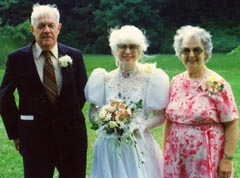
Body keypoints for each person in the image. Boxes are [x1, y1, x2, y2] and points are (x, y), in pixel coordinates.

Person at [0, 3, 88, 178]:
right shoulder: (17, 59)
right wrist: (16, 133)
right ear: (32, 29)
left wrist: (66, 115)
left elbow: (82, 92)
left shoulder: (75, 56)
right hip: (33, 138)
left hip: (72, 137)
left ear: (59, 28)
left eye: (51, 25)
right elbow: (4, 97)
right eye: (41, 26)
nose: (46, 30)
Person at [84, 25, 169, 178]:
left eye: (133, 47)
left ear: (140, 50)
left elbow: (160, 115)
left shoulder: (151, 79)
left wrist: (140, 126)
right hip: (108, 147)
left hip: (138, 145)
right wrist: (103, 121)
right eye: (122, 46)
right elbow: (93, 110)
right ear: (115, 50)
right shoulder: (104, 78)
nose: (128, 51)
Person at [163, 25, 239, 178]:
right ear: (180, 53)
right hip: (176, 158)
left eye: (197, 50)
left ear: (206, 52)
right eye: (186, 50)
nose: (191, 55)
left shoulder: (216, 83)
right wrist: (165, 149)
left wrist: (227, 159)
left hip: (205, 158)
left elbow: (231, 123)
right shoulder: (176, 81)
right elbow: (169, 120)